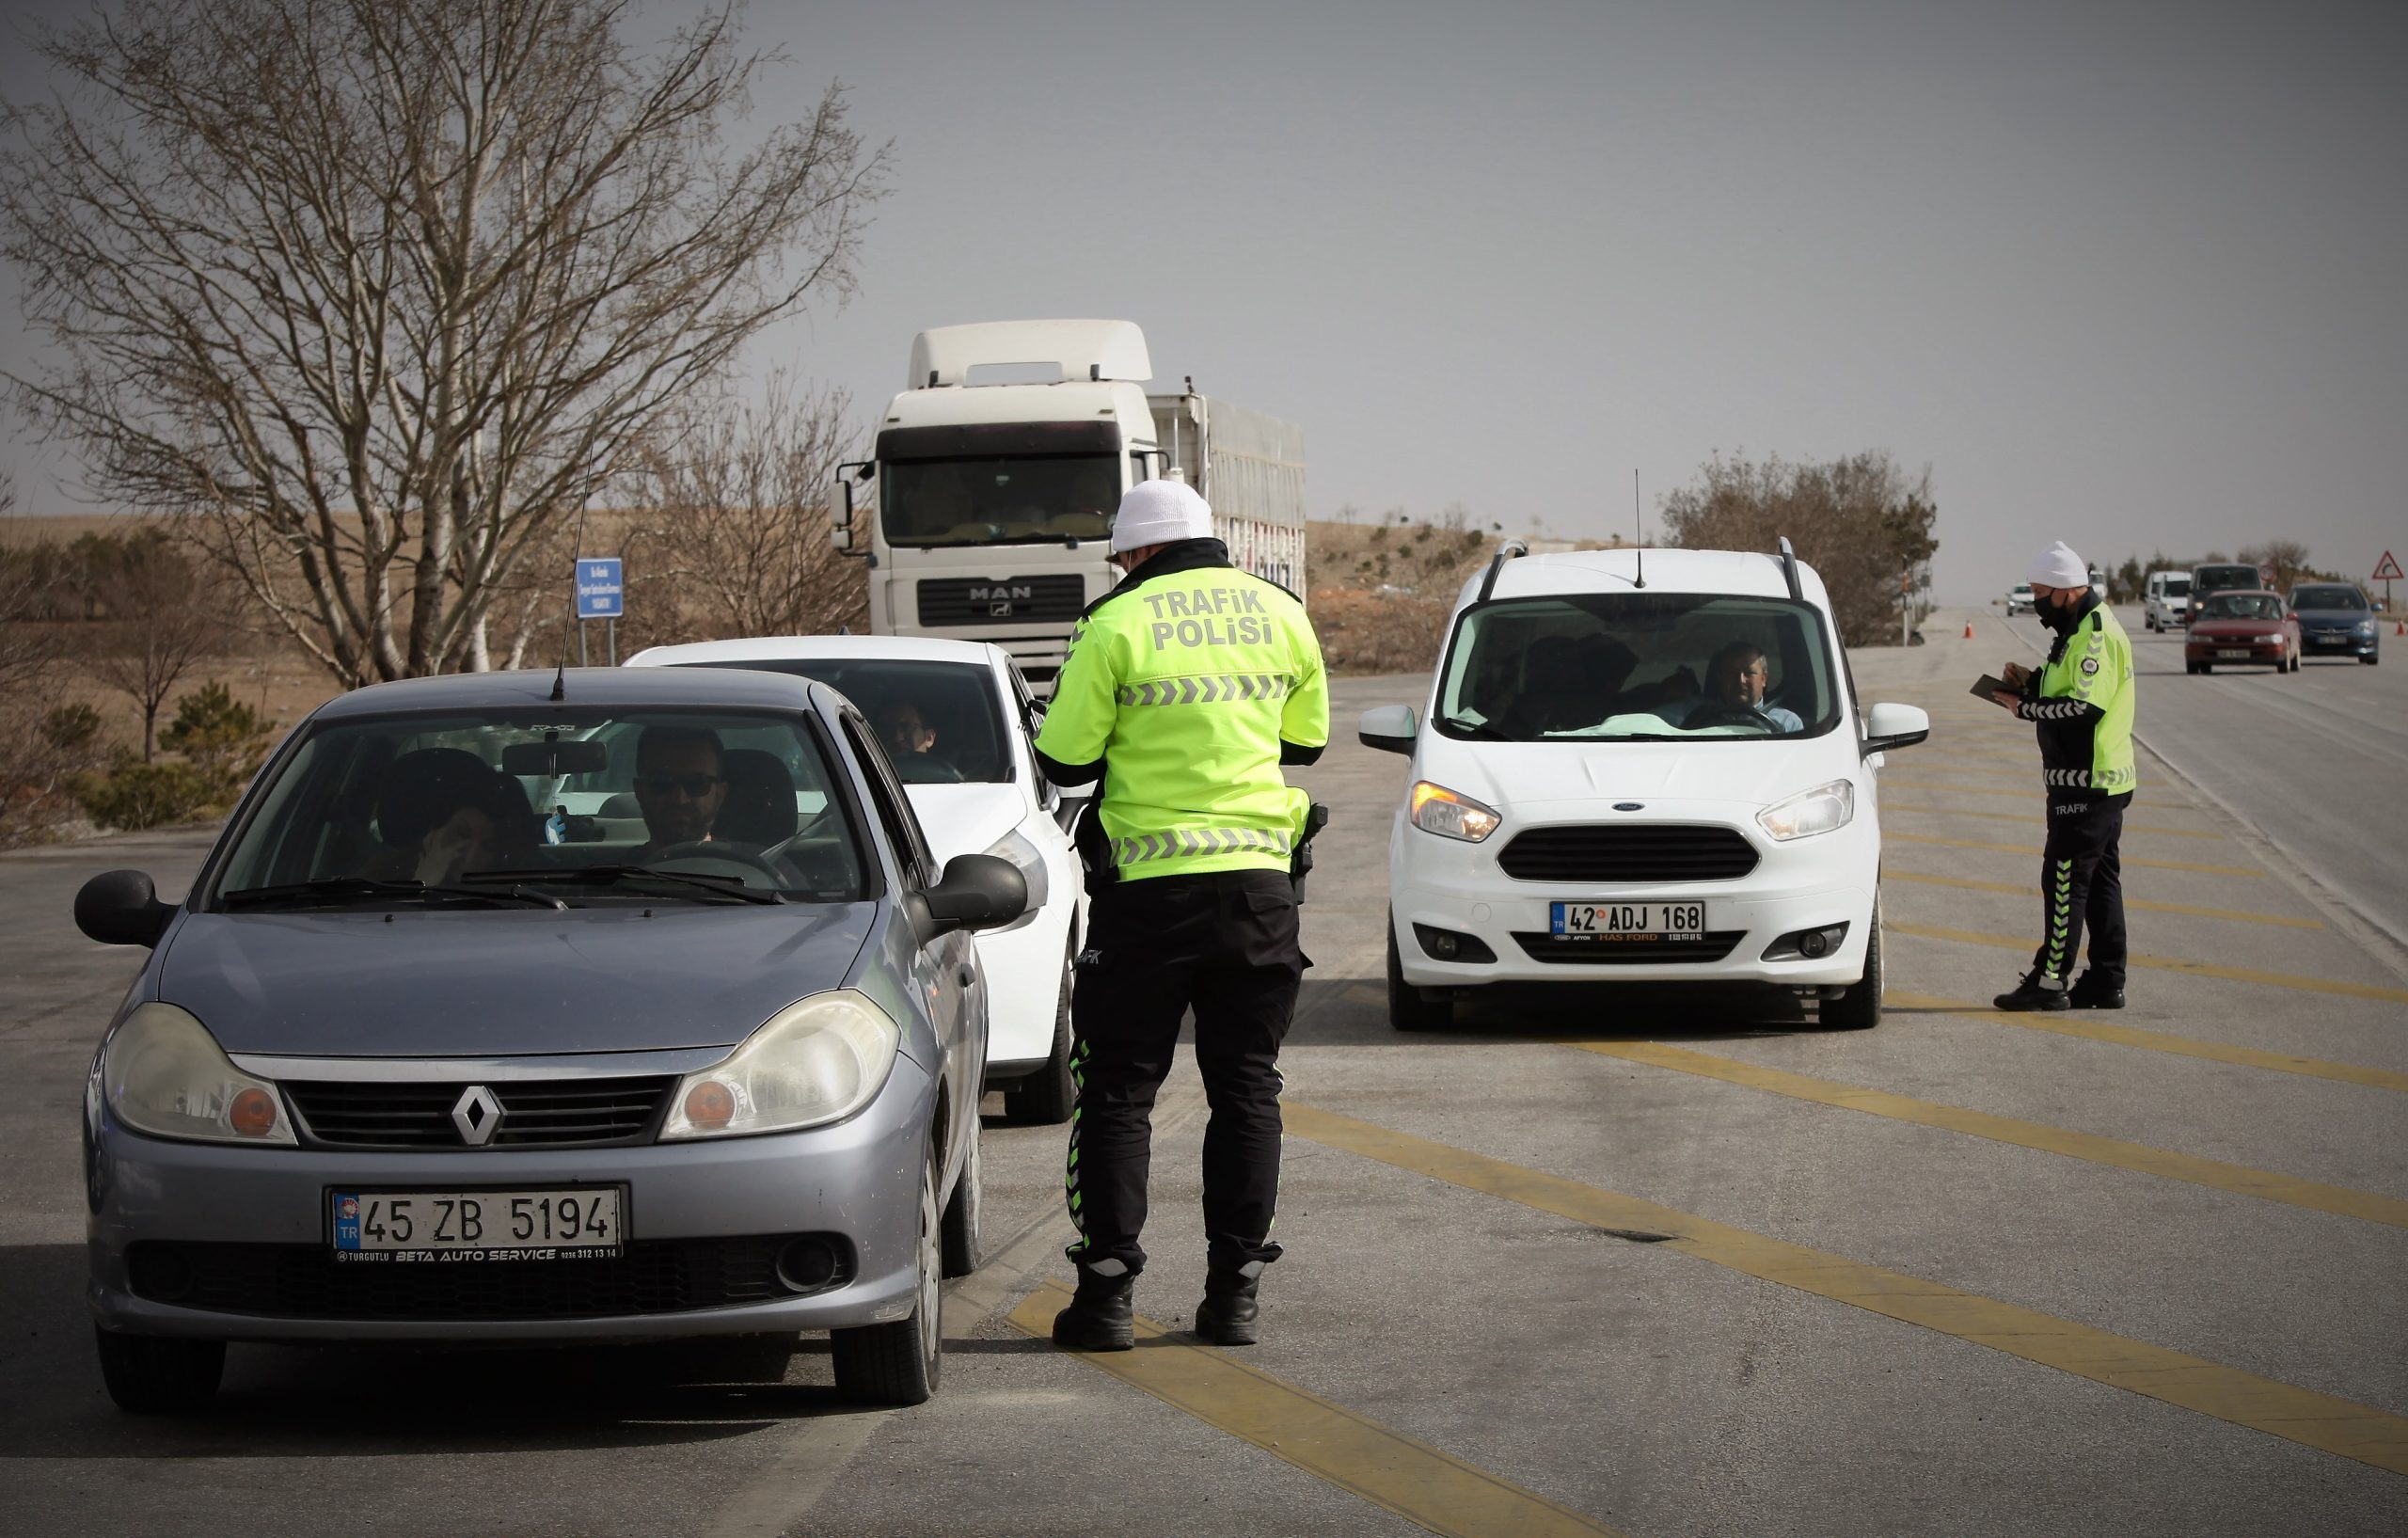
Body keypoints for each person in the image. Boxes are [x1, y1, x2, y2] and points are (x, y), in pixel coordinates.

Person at [1032, 477, 1329, 1353]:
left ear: (1134, 550)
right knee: (1246, 1088)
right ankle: (1234, 1294)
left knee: (1119, 1092)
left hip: (1147, 900)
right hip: (1259, 895)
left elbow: (1064, 761)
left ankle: (1107, 1298)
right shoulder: (1281, 613)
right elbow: (1302, 743)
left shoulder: (1113, 625)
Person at [1986, 540, 2137, 1011]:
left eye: (2040, 592)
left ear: (2067, 591)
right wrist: (2029, 681)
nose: (2035, 602)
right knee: (2100, 882)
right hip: (2095, 780)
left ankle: (2050, 982)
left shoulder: (2094, 635)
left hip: (2088, 782)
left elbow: (2085, 707)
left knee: (2065, 878)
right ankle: (2107, 980)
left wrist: (2023, 706)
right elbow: (2069, 688)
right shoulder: (2076, 630)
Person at [630, 724, 728, 857]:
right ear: (639, 792)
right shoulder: (610, 875)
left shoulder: (753, 873)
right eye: (661, 783)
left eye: (696, 783)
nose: (679, 799)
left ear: (719, 795)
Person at [1665, 641, 1803, 732]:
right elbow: (1647, 722)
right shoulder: (1690, 713)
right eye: (1732, 673)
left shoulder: (1787, 723)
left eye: (1749, 673)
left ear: (1764, 678)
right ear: (1720, 677)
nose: (1740, 680)